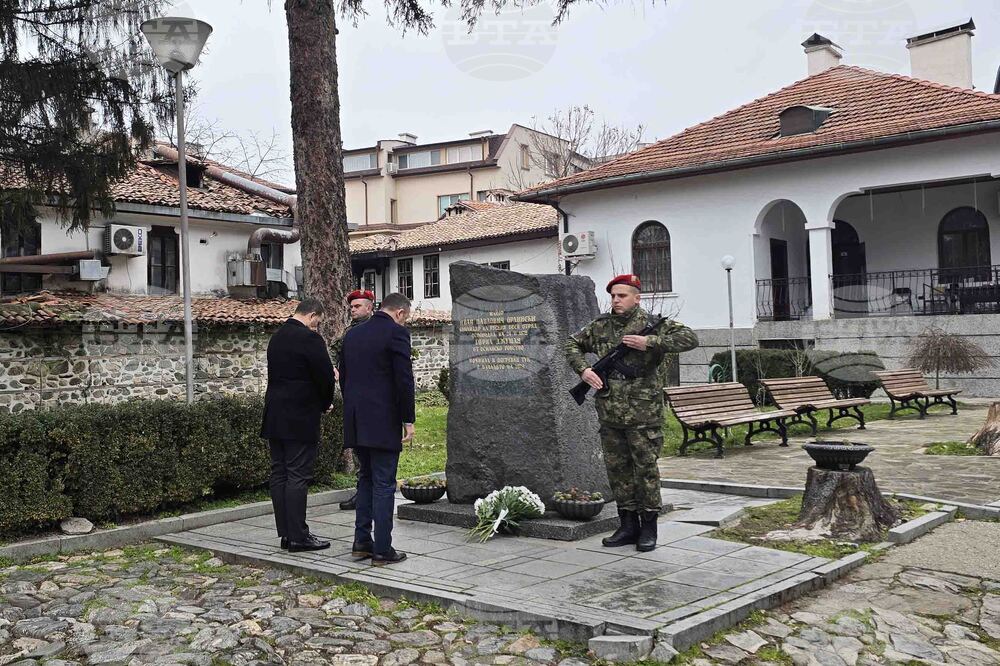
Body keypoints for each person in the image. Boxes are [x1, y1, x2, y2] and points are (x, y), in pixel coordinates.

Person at [565, 274, 699, 552]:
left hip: (643, 412)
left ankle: (648, 527)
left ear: (637, 298)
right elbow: (571, 344)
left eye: (622, 295)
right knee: (618, 470)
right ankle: (627, 526)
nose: (616, 300)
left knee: (645, 470)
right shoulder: (600, 326)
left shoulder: (654, 325)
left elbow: (691, 338)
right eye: (613, 295)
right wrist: (584, 370)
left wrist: (650, 343)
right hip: (610, 411)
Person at [339, 292, 415, 566]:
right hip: (383, 419)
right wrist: (408, 419)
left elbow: (344, 377)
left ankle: (361, 542)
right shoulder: (396, 334)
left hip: (357, 420)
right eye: (406, 318)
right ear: (401, 313)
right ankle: (383, 549)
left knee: (366, 479)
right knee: (384, 483)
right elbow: (404, 380)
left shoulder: (353, 335)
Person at [260, 298, 337, 553]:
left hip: (275, 415)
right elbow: (325, 376)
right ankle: (299, 536)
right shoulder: (309, 339)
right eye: (318, 322)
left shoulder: (277, 337)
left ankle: (286, 533)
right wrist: (325, 403)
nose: (317, 327)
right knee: (297, 474)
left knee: (279, 473)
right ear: (313, 315)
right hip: (300, 416)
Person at [330, 289, 376, 511]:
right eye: (351, 307)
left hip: (376, 399)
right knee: (359, 446)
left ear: (369, 307)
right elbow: (332, 350)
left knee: (374, 448)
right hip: (354, 397)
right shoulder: (348, 333)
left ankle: (376, 490)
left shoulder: (380, 330)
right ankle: (363, 491)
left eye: (357, 306)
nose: (353, 310)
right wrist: (333, 366)